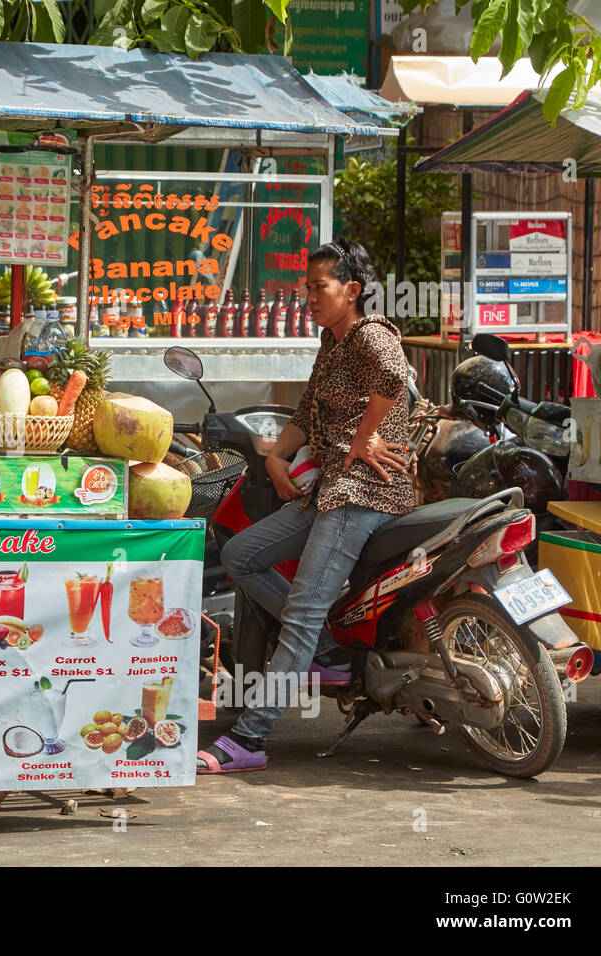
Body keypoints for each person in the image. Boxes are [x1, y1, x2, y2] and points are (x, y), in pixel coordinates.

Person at [197, 237, 414, 774]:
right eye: (307, 287)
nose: (310, 296)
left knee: (300, 610)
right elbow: (307, 409)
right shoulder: (332, 342)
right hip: (329, 490)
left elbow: (395, 378)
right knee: (244, 554)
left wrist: (365, 435)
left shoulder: (369, 335)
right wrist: (276, 456)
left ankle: (250, 737)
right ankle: (325, 650)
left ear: (352, 290)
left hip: (363, 494)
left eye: (320, 287)